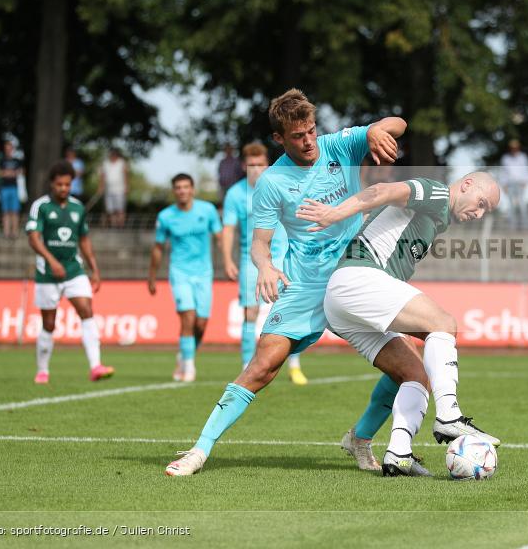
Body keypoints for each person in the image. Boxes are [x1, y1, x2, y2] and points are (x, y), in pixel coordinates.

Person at [162, 88, 407, 477]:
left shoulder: (337, 146)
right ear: (279, 139)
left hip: (355, 270)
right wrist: (264, 267)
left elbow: (398, 123)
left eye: (311, 131)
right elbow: (259, 245)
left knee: (410, 367)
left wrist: (379, 129)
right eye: (298, 136)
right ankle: (200, 449)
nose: (308, 141)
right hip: (307, 283)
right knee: (263, 365)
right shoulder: (272, 182)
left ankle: (360, 438)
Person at [295, 172, 502, 475]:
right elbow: (382, 190)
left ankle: (398, 454)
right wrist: (334, 213)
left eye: (486, 211)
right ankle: (449, 416)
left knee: (415, 373)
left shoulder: (438, 220)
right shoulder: (436, 193)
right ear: (467, 185)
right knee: (443, 324)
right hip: (358, 279)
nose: (479, 213)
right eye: (481, 203)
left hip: (344, 302)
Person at [221, 142, 306, 382]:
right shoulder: (236, 194)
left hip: (285, 258)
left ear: (267, 164)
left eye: (260, 164)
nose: (256, 169)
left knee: (289, 312)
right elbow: (228, 229)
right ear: (243, 166)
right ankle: (248, 364)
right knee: (250, 313)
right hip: (252, 262)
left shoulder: (280, 185)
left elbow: (297, 218)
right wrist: (227, 259)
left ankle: (294, 365)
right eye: (251, 165)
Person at [25, 161, 113, 384]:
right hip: (47, 273)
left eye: (67, 184)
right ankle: (42, 370)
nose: (63, 188)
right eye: (59, 185)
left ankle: (96, 366)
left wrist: (94, 268)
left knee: (86, 309)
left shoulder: (77, 208)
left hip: (74, 269)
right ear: (51, 184)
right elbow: (34, 238)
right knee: (49, 323)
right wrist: (52, 261)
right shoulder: (41, 207)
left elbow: (83, 240)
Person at [148, 174, 222, 382]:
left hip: (204, 273)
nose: (182, 191)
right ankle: (188, 368)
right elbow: (158, 248)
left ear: (192, 189)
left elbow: (219, 237)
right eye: (178, 188)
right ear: (174, 191)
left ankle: (184, 355)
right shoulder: (165, 217)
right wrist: (152, 277)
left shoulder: (207, 211)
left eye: (185, 187)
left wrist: (228, 261)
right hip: (179, 273)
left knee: (201, 324)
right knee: (188, 317)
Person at [500, 139, 528, 230]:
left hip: (520, 184)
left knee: (522, 206)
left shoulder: (523, 157)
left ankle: (526, 227)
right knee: (511, 206)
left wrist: (525, 182)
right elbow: (504, 172)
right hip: (509, 184)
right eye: (512, 147)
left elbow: (526, 170)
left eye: (515, 147)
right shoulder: (506, 158)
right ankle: (512, 227)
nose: (514, 149)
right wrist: (504, 185)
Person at [0, 141, 23, 239]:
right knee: (5, 211)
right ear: (5, 149)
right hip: (4, 188)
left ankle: (15, 233)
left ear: (12, 149)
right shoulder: (1, 160)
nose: (8, 150)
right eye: (6, 148)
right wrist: (10, 173)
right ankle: (6, 233)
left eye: (10, 148)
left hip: (14, 188)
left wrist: (7, 173)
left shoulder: (17, 160)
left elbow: (20, 172)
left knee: (14, 211)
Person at [100, 148, 128, 228]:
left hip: (120, 190)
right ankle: (113, 226)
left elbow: (126, 175)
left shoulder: (122, 163)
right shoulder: (106, 163)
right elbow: (103, 176)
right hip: (109, 190)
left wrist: (126, 187)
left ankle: (121, 226)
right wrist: (101, 186)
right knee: (110, 210)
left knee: (120, 209)